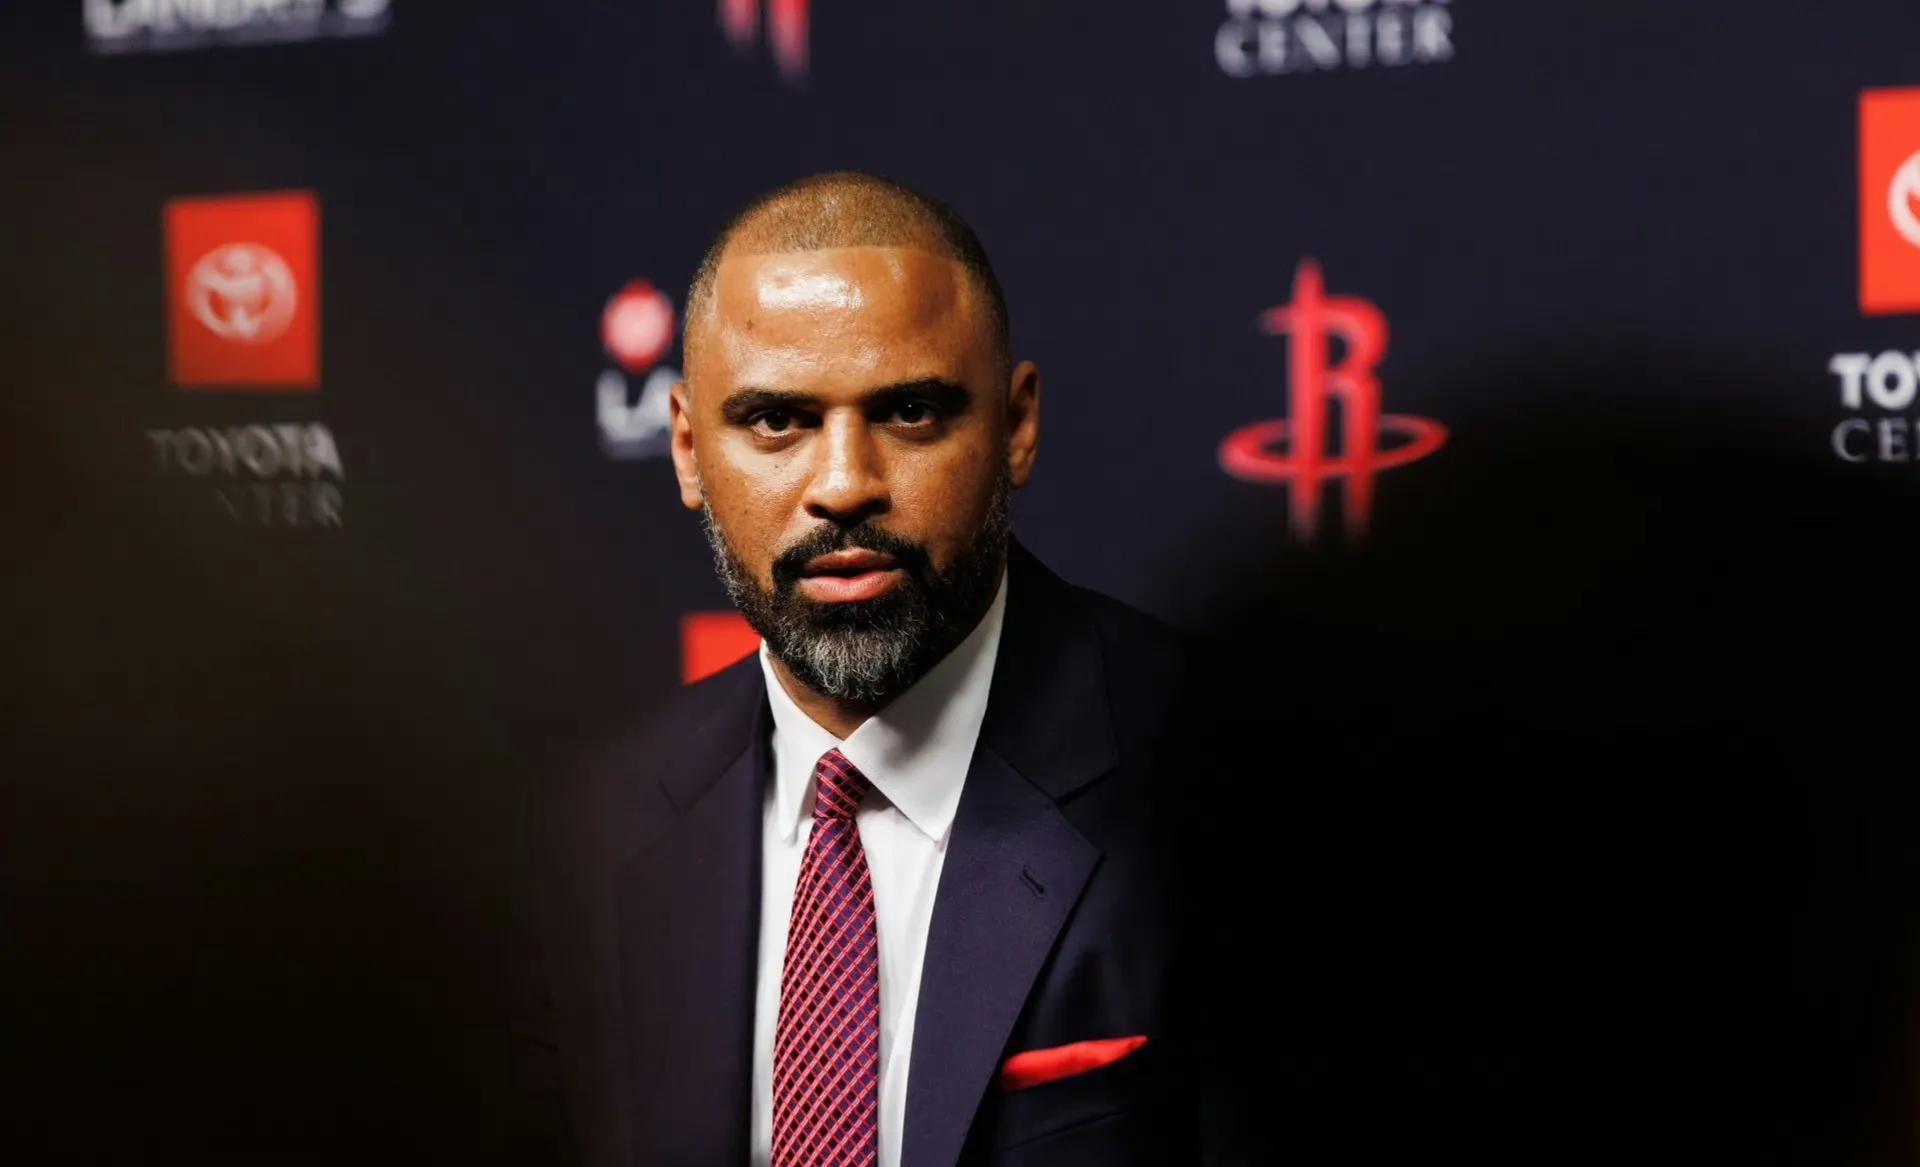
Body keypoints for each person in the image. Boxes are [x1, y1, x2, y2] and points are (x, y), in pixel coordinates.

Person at [514, 171, 1251, 1166]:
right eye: (776, 421)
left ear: (1017, 426)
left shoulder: (1232, 776)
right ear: (687, 448)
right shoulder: (585, 831)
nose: (844, 485)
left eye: (909, 412)